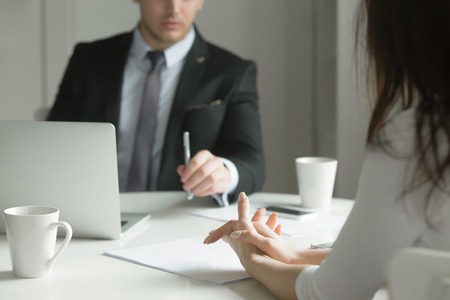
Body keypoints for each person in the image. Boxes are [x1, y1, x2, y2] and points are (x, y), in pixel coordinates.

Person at [204, 0, 450, 298]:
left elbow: (329, 293)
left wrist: (250, 257)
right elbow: (401, 253)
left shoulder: (420, 137)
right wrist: (295, 255)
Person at [47, 0, 265, 206]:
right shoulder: (88, 59)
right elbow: (50, 143)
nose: (174, 8)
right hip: (90, 210)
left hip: (176, 219)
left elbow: (252, 162)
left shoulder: (232, 72)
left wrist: (224, 173)